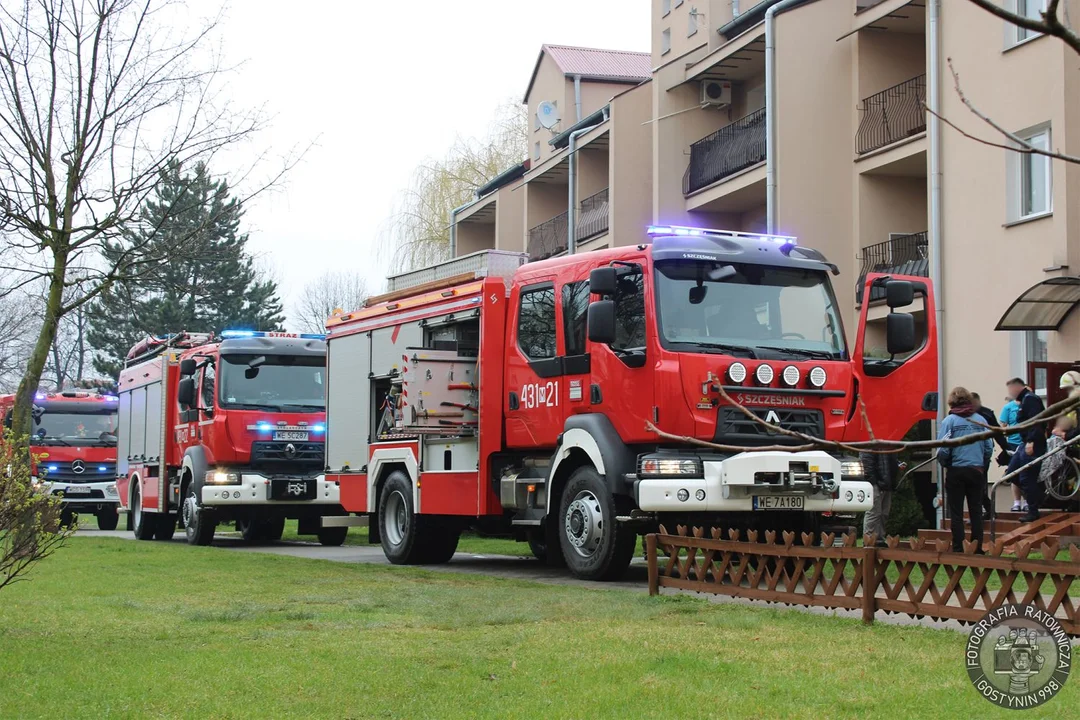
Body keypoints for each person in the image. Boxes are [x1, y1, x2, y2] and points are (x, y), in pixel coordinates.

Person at [937, 387, 994, 552]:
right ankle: (977, 547)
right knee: (976, 510)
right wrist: (983, 464)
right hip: (976, 470)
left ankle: (958, 547)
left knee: (956, 512)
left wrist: (946, 464)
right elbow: (989, 446)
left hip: (956, 470)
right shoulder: (980, 420)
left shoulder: (950, 421)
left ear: (952, 402)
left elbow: (943, 448)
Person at [1005, 377, 1047, 524]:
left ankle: (1033, 510)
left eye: (1010, 389)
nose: (1009, 393)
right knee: (1011, 473)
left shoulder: (1030, 399)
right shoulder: (1024, 400)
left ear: (1017, 387)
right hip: (1024, 443)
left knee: (1026, 477)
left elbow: (1036, 421)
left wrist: (1031, 441)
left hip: (1032, 443)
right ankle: (1038, 496)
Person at [972, 392, 1011, 519]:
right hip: (974, 455)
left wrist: (1006, 449)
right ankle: (987, 510)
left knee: (979, 484)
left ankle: (987, 511)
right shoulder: (964, 415)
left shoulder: (986, 414)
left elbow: (997, 432)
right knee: (976, 485)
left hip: (982, 454)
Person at [859, 450, 901, 545]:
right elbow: (866, 464)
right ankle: (868, 540)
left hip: (886, 482)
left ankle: (879, 539)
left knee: (883, 513)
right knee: (874, 512)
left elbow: (888, 462)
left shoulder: (888, 444)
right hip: (876, 483)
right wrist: (874, 482)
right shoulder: (868, 444)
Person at [999, 395, 1026, 512]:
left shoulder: (1030, 406)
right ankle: (1017, 502)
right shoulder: (1008, 407)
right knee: (1014, 474)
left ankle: (1027, 501)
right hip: (1013, 444)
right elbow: (1003, 427)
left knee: (1026, 473)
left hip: (1027, 443)